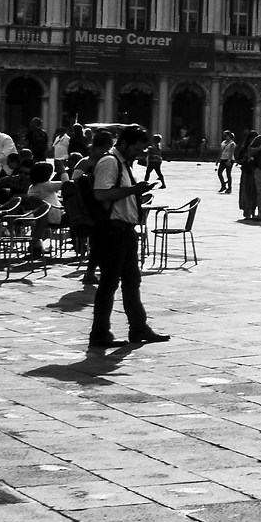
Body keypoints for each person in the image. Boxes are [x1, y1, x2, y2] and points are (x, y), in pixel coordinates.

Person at [88, 126, 169, 353]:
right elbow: (101, 193)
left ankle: (138, 327)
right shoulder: (110, 162)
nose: (139, 154)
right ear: (124, 143)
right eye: (137, 149)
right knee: (109, 283)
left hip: (124, 230)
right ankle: (100, 333)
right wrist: (133, 190)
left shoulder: (123, 163)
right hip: (112, 231)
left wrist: (135, 192)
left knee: (132, 281)